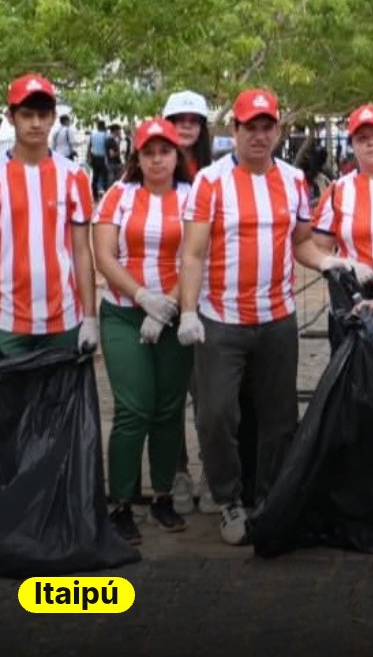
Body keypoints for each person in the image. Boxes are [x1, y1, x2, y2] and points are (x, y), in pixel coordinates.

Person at [177, 88, 342, 545]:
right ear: (234, 131)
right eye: (249, 127)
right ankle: (229, 497)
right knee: (216, 415)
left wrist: (327, 262)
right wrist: (188, 312)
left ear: (278, 131)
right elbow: (191, 253)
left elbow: (303, 241)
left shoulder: (292, 181)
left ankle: (270, 498)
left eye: (267, 126)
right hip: (221, 318)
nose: (259, 135)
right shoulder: (211, 181)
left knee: (279, 418)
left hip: (276, 318)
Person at [92, 118, 194, 545]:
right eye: (149, 152)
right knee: (134, 408)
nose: (157, 159)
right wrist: (141, 298)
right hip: (123, 313)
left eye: (165, 151)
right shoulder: (119, 195)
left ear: (177, 156)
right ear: (137, 157)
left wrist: (167, 303)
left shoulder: (192, 197)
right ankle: (119, 503)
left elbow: (197, 254)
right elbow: (104, 255)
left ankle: (164, 496)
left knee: (169, 410)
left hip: (173, 314)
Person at [0, 74, 97, 356]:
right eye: (27, 115)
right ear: (10, 116)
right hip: (7, 319)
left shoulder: (74, 176)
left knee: (60, 401)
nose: (35, 123)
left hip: (64, 318)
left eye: (43, 115)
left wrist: (90, 317)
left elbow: (82, 251)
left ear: (54, 117)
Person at [308, 103, 373, 348]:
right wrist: (344, 264)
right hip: (355, 303)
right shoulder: (338, 191)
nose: (372, 143)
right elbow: (316, 249)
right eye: (362, 138)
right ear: (352, 144)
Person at [162, 88, 218, 515]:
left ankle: (212, 472)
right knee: (167, 397)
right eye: (178, 119)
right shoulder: (151, 175)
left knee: (208, 396)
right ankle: (175, 471)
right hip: (156, 301)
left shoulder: (214, 177)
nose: (185, 126)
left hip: (203, 300)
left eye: (193, 120)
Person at [88, 118, 110, 198]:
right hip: (103, 158)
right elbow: (107, 147)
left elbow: (89, 146)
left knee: (95, 176)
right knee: (105, 175)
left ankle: (94, 194)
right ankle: (104, 193)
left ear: (97, 126)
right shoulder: (106, 135)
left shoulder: (92, 134)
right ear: (104, 126)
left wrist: (89, 157)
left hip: (94, 157)